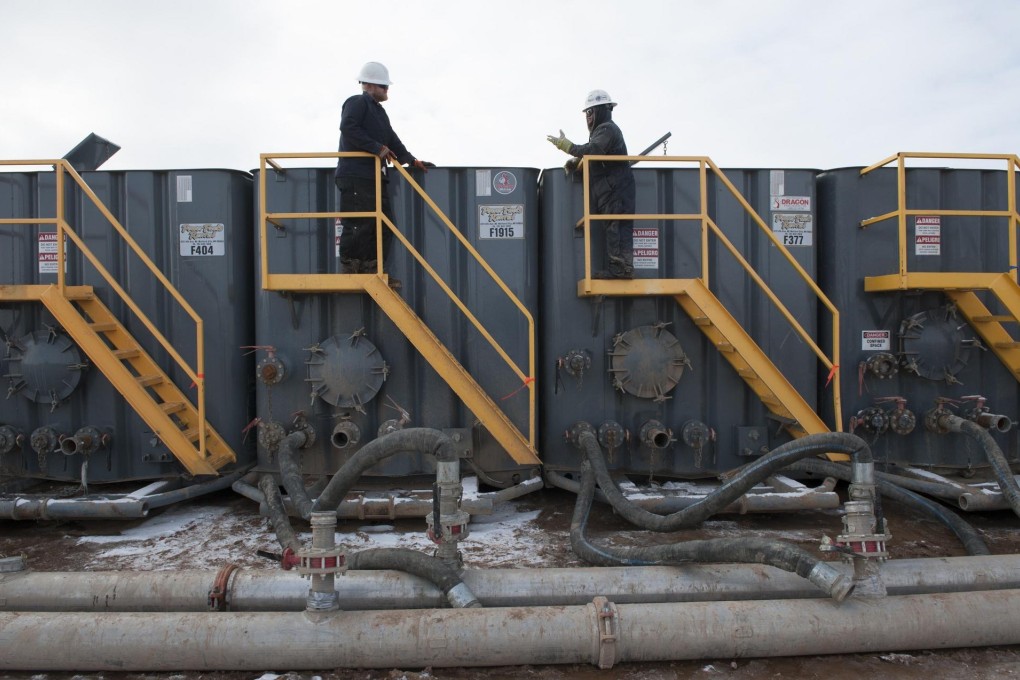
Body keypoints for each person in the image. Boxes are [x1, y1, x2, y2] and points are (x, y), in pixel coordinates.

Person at [335, 61, 431, 280]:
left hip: (373, 177)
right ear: (369, 85)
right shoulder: (357, 102)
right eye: (383, 86)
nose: (387, 90)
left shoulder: (379, 113)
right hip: (355, 174)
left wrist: (411, 159)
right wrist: (376, 148)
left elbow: (391, 140)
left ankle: (371, 266)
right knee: (359, 221)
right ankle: (351, 266)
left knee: (382, 224)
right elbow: (348, 127)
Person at [547, 89, 635, 279]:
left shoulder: (607, 129)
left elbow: (594, 150)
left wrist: (568, 147)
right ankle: (620, 268)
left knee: (616, 227)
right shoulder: (602, 132)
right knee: (614, 227)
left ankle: (622, 269)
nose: (588, 118)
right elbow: (596, 155)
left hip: (615, 190)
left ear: (602, 110)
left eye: (590, 113)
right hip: (610, 191)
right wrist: (578, 163)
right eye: (586, 114)